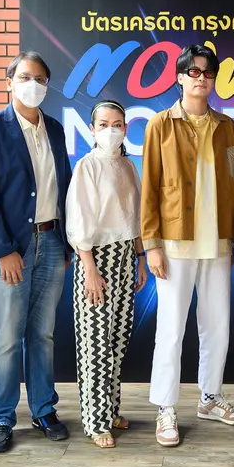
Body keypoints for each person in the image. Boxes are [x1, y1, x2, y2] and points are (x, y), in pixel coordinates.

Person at [0, 51, 73, 453]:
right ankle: (0, 417)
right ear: (9, 82)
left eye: (41, 79)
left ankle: (44, 409)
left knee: (42, 334)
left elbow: (63, 186)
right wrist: (4, 249)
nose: (34, 85)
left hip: (52, 242)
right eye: (26, 77)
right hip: (10, 248)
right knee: (7, 337)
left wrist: (65, 241)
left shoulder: (55, 129)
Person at [141, 44, 234, 447]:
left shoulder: (227, 126)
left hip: (217, 241)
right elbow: (150, 187)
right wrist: (151, 244)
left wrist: (233, 237)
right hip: (174, 242)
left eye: (208, 72)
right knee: (171, 329)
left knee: (217, 325)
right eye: (193, 71)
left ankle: (210, 396)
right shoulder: (159, 125)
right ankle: (165, 407)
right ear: (180, 78)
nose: (201, 78)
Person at [66, 100, 147, 448]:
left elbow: (135, 215)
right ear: (92, 129)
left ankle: (111, 410)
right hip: (96, 257)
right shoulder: (87, 166)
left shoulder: (127, 165)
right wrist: (89, 268)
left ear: (125, 128)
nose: (110, 130)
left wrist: (140, 258)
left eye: (117, 124)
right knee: (95, 343)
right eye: (103, 124)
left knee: (117, 339)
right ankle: (95, 421)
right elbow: (79, 219)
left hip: (125, 256)